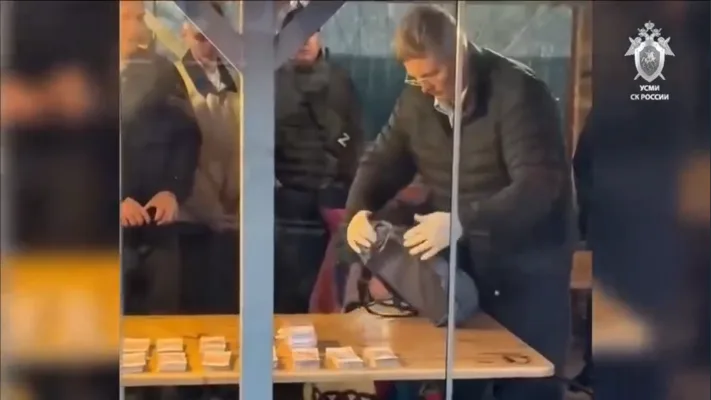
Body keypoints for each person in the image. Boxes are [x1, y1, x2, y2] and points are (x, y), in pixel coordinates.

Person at [342, 5, 574, 400]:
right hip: (466, 273)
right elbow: (381, 160)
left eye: (433, 74)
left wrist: (462, 221)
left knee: (528, 387)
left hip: (528, 274)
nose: (424, 86)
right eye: (414, 77)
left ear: (460, 53)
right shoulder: (416, 99)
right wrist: (357, 212)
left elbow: (538, 184)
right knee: (461, 382)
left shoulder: (519, 93)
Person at [274, 5, 365, 313]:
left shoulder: (340, 81)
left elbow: (356, 137)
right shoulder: (270, 83)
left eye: (310, 33)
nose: (303, 42)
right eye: (295, 36)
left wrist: (345, 185)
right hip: (288, 200)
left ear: (320, 37)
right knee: (290, 284)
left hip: (335, 196)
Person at [120, 0, 200, 315]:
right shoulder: (77, 77)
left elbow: (187, 139)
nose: (135, 27)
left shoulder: (163, 74)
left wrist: (172, 191)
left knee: (163, 324)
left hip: (158, 228)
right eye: (126, 18)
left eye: (140, 18)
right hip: (96, 238)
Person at [174, 2, 241, 315]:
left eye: (214, 36)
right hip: (192, 221)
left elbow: (246, 146)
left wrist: (239, 207)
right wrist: (210, 211)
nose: (208, 44)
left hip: (234, 221)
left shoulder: (238, 80)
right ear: (184, 33)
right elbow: (181, 154)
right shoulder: (174, 80)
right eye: (200, 36)